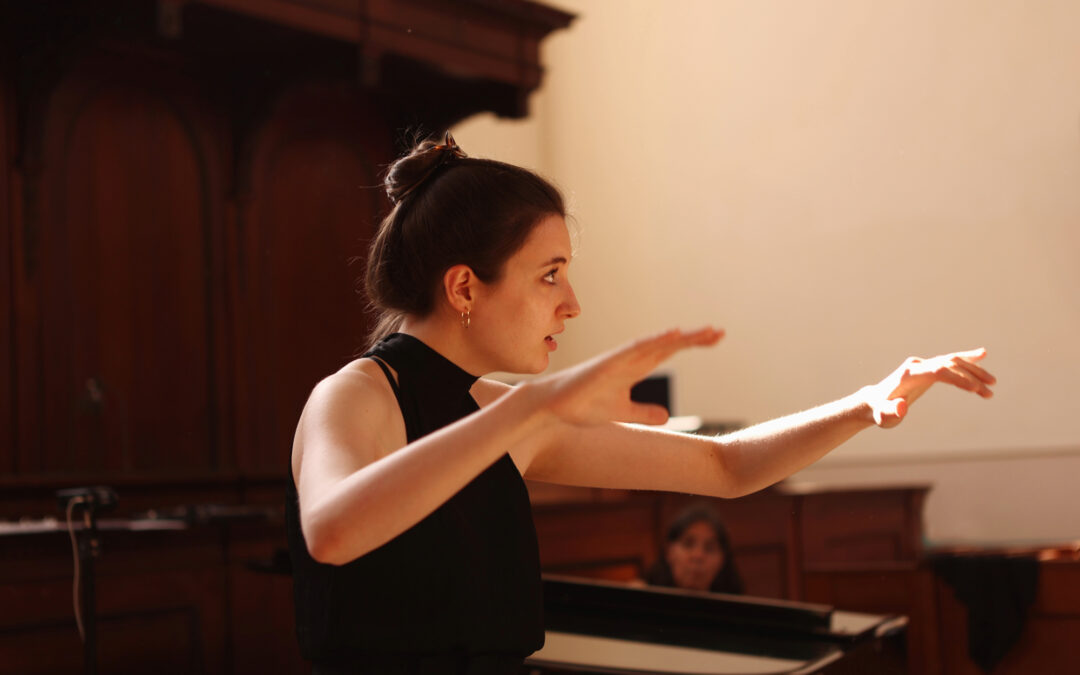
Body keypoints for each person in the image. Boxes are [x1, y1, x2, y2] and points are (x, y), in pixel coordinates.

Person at [285, 133, 996, 674]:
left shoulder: (506, 414)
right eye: (550, 275)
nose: (572, 303)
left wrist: (863, 402)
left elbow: (725, 468)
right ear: (466, 287)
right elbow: (333, 530)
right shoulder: (355, 395)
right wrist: (531, 407)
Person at [645, 503, 744, 594]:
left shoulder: (737, 610)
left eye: (709, 548)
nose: (698, 556)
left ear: (722, 559)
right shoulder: (643, 597)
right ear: (669, 552)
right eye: (688, 544)